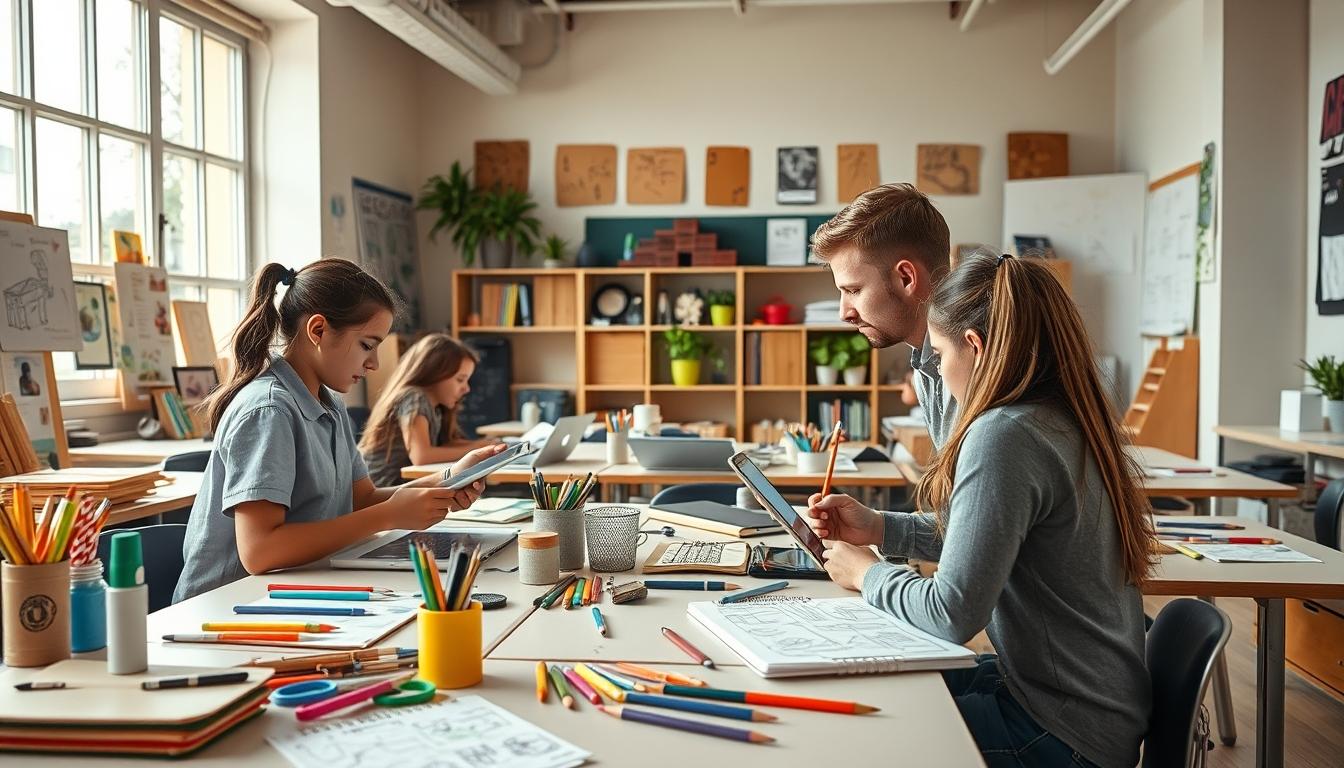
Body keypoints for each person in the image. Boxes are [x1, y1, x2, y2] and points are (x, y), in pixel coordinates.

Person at [806, 252, 1155, 768]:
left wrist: (868, 573)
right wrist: (880, 526)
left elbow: (951, 615)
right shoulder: (1057, 417)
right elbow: (989, 538)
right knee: (879, 691)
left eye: (941, 354)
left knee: (855, 735)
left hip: (1062, 734)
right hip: (1081, 708)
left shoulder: (1004, 434)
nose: (939, 373)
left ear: (975, 347)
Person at [174, 259, 504, 602]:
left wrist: (449, 479)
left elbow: (360, 501)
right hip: (226, 606)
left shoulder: (328, 404)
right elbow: (260, 551)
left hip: (290, 590)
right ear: (318, 331)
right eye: (367, 345)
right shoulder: (269, 410)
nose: (375, 363)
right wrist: (390, 515)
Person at [359, 333, 496, 486]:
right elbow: (421, 456)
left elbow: (443, 447)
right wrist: (476, 450)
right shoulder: (414, 397)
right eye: (460, 380)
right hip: (380, 490)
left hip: (398, 488)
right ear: (435, 373)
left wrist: (482, 445)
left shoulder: (436, 408)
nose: (466, 388)